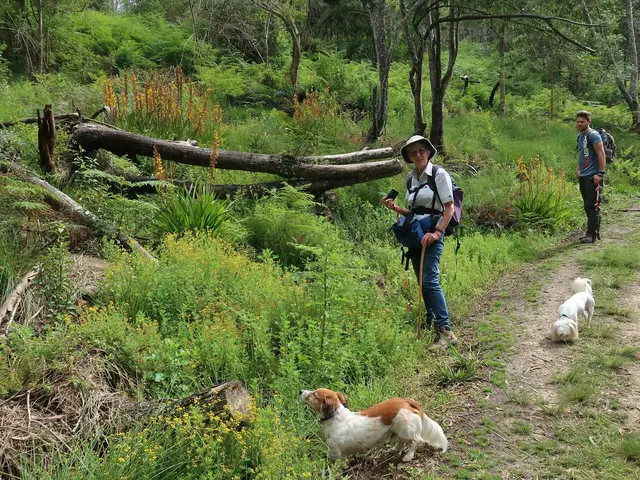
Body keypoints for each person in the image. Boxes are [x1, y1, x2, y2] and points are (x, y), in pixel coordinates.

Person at [382, 135, 458, 350]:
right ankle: (433, 321)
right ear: (409, 155)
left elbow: (448, 208)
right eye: (413, 152)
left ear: (428, 152)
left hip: (432, 232)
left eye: (421, 151)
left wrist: (436, 233)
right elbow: (415, 212)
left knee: (429, 280)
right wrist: (396, 209)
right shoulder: (411, 179)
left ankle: (446, 332)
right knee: (421, 280)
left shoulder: (438, 174)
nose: (418, 155)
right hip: (416, 233)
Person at [575, 110, 606, 244]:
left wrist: (600, 173)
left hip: (593, 175)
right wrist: (578, 169)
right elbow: (582, 154)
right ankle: (593, 232)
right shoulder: (580, 136)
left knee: (592, 205)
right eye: (577, 122)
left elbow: (601, 153)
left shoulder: (593, 135)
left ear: (589, 121)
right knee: (587, 205)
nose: (579, 124)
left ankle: (591, 234)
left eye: (582, 122)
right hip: (583, 174)